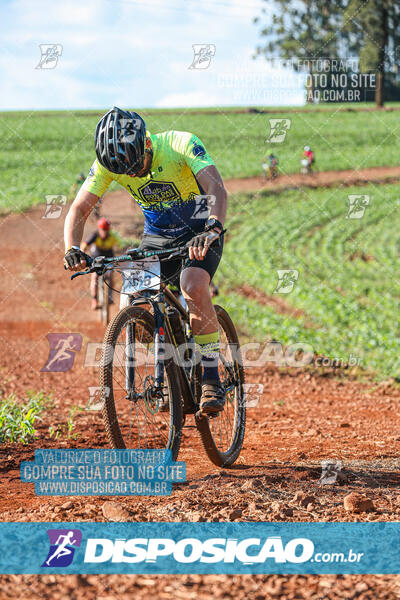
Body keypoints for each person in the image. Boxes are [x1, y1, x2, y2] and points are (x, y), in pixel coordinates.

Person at [64, 107, 227, 414]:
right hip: (157, 237)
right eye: (123, 171)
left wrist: (213, 227)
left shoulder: (180, 144)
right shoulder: (110, 164)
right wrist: (71, 247)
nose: (132, 173)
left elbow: (216, 188)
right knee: (134, 303)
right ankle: (172, 371)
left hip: (201, 230)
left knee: (192, 285)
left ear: (146, 144)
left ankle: (210, 377)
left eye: (135, 165)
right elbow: (79, 209)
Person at [81, 217, 119, 310]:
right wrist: (82, 253)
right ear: (99, 229)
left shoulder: (112, 236)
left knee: (110, 275)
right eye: (103, 229)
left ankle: (110, 297)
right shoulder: (95, 235)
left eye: (106, 229)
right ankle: (94, 300)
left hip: (109, 258)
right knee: (94, 277)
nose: (104, 232)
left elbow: (120, 245)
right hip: (96, 259)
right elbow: (84, 244)